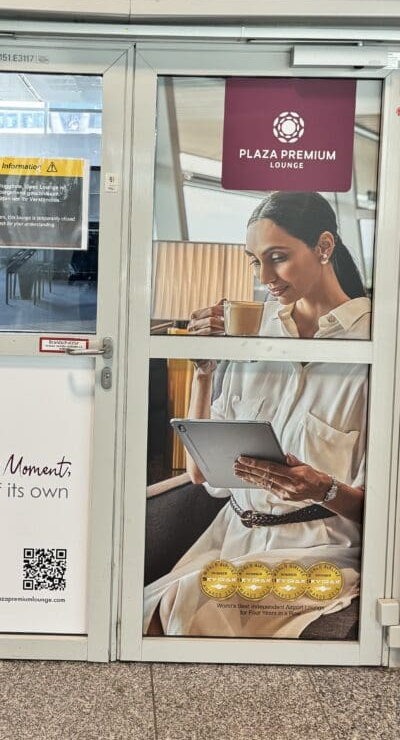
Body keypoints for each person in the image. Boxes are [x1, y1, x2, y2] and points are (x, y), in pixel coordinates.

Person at [144, 191, 370, 638]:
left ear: (324, 247)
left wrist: (322, 488)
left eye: (278, 258)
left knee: (183, 608)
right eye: (255, 261)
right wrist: (205, 370)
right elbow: (199, 474)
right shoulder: (252, 331)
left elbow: (381, 509)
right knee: (139, 612)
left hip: (316, 552)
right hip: (232, 538)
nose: (264, 276)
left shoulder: (375, 346)